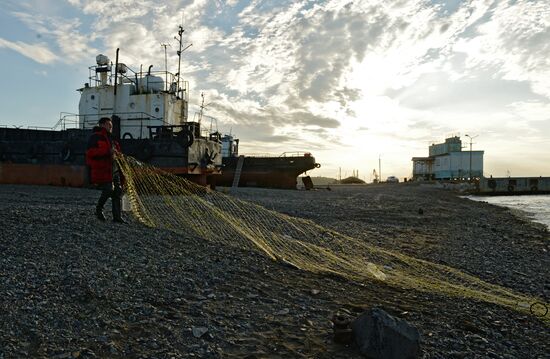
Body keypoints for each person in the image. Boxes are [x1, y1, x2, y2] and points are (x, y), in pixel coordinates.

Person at [86, 117, 126, 223]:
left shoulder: (112, 139)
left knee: (118, 191)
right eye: (109, 124)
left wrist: (119, 155)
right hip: (104, 169)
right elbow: (91, 153)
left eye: (111, 125)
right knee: (108, 189)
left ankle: (117, 217)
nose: (111, 126)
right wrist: (108, 151)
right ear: (102, 125)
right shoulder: (95, 137)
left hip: (115, 169)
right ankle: (99, 209)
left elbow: (117, 153)